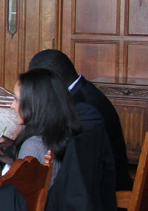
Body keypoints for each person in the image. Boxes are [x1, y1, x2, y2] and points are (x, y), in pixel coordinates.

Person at [29, 48, 131, 190]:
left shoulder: (83, 106)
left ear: (52, 80)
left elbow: (65, 153)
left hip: (101, 194)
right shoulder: (80, 93)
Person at [3, 68, 82, 179]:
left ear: (34, 103)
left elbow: (19, 193)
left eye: (16, 99)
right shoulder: (65, 135)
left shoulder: (34, 144)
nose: (12, 105)